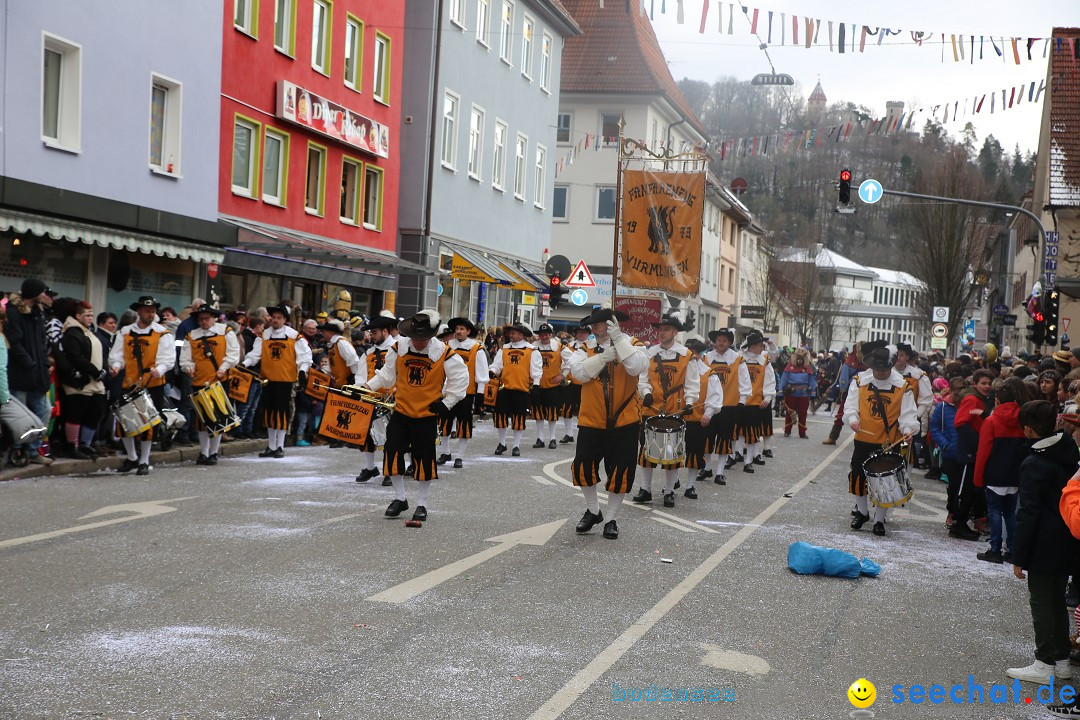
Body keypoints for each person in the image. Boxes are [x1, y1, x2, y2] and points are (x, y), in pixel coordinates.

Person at [363, 310, 468, 521]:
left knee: (424, 459)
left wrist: (446, 404)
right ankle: (400, 498)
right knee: (391, 454)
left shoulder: (445, 354)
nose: (418, 343)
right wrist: (366, 387)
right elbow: (386, 376)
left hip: (427, 415)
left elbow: (461, 381)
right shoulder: (398, 348)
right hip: (401, 412)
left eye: (423, 339)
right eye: (415, 338)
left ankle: (422, 503)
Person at [1005, 400, 1080, 687]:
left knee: (1041, 603)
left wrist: (1018, 556)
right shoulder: (1067, 449)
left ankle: (1044, 662)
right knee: (1056, 601)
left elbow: (1028, 512)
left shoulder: (1035, 462)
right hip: (1067, 538)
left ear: (1027, 429)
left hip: (1043, 543)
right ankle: (1060, 661)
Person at [567, 308, 648, 540]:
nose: (594, 328)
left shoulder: (635, 344)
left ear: (612, 324)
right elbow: (580, 374)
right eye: (593, 324)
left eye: (600, 324)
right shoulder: (584, 348)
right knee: (583, 466)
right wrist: (604, 356)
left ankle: (611, 518)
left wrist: (620, 342)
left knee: (620, 471)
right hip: (591, 419)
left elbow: (636, 367)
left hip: (625, 421)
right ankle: (593, 511)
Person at [843, 340, 918, 536]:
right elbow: (850, 407)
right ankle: (862, 512)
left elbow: (908, 415)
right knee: (858, 477)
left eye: (883, 369)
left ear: (891, 366)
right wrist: (853, 420)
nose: (880, 373)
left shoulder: (903, 386)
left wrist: (908, 430)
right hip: (864, 440)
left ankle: (879, 519)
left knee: (885, 482)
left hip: (888, 442)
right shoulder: (860, 381)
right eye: (876, 369)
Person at [632, 314, 697, 507]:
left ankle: (669, 491)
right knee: (646, 450)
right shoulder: (649, 354)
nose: (662, 333)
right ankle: (645, 489)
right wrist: (646, 393)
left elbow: (692, 385)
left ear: (675, 332)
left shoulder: (687, 355)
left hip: (674, 410)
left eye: (666, 329)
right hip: (651, 408)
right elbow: (642, 380)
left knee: (672, 451)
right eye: (660, 329)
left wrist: (689, 403)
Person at [109, 296, 176, 475]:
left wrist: (160, 369)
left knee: (148, 423)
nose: (150, 313)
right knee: (126, 422)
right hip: (130, 382)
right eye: (147, 310)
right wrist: (115, 366)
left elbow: (168, 358)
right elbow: (117, 355)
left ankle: (144, 460)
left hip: (152, 383)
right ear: (138, 311)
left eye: (153, 310)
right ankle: (131, 457)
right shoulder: (124, 332)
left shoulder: (162, 333)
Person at [973, 377, 1034, 555]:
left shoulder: (991, 421)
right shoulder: (1024, 420)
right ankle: (1012, 548)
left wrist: (978, 479)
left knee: (994, 511)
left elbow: (983, 452)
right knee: (1010, 513)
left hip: (995, 473)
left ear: (998, 401)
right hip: (1016, 474)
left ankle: (995, 548)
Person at [241, 305, 312, 458]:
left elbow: (305, 356)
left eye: (279, 318)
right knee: (269, 413)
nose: (275, 320)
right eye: (273, 317)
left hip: (285, 380)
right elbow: (255, 354)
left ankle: (280, 446)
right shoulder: (264, 335)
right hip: (268, 380)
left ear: (285, 320)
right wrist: (245, 364)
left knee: (282, 413)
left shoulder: (294, 336)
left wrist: (302, 370)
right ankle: (271, 446)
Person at [180, 304, 241, 465]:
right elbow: (185, 358)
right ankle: (203, 452)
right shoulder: (191, 335)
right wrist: (188, 368)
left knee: (218, 418)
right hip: (199, 380)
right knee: (202, 420)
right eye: (201, 319)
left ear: (213, 318)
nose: (203, 322)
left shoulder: (225, 331)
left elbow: (234, 354)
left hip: (220, 380)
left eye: (206, 319)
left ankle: (213, 452)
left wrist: (223, 368)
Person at [5, 279, 57, 466]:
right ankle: (16, 451)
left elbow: (42, 343)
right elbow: (15, 343)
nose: (45, 295)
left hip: (37, 373)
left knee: (44, 411)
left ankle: (33, 449)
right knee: (20, 418)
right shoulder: (13, 313)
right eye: (42, 292)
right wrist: (30, 363)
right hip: (20, 373)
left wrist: (42, 364)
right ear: (34, 293)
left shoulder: (38, 313)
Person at [56, 300, 107, 460]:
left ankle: (86, 443)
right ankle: (73, 446)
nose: (90, 318)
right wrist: (94, 371)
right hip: (81, 381)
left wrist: (102, 370)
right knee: (76, 414)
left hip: (95, 381)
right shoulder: (72, 332)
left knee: (95, 412)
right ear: (77, 316)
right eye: (87, 315)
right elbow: (76, 356)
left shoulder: (87, 331)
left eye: (92, 315)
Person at [700, 328, 751, 485]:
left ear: (729, 343)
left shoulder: (738, 360)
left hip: (729, 406)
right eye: (719, 340)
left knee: (724, 440)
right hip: (709, 404)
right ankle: (707, 468)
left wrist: (742, 402)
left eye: (724, 340)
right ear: (715, 342)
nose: (721, 343)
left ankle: (720, 472)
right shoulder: (707, 358)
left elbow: (745, 382)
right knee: (707, 439)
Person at [437, 317, 488, 469]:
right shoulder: (446, 346)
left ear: (468, 331)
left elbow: (482, 373)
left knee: (464, 424)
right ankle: (445, 452)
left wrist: (480, 394)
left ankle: (460, 455)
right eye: (457, 329)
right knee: (444, 422)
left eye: (462, 329)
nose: (458, 332)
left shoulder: (476, 348)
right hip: (447, 392)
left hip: (467, 392)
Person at [355, 315, 397, 484]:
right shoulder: (368, 353)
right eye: (371, 332)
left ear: (385, 331)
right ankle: (370, 467)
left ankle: (390, 469)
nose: (371, 336)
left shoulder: (397, 349)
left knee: (391, 437)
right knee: (366, 435)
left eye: (374, 332)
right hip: (371, 399)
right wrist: (358, 390)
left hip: (392, 400)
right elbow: (360, 376)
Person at [954, 369, 995, 535]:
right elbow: (960, 423)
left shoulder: (980, 399)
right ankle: (959, 523)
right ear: (975, 384)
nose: (987, 386)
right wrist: (979, 443)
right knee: (965, 488)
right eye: (983, 383)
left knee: (971, 488)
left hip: (973, 451)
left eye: (989, 384)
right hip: (968, 452)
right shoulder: (972, 399)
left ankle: (961, 522)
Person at [489, 323, 540, 457]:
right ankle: (502, 443)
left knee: (518, 418)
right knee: (500, 416)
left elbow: (536, 370)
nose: (511, 335)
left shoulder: (532, 350)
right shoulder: (504, 349)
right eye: (510, 333)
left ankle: (516, 446)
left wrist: (536, 385)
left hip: (521, 388)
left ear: (522, 335)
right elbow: (497, 365)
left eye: (514, 333)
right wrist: (492, 371)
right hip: (504, 388)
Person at [320, 318, 362, 448]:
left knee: (349, 411)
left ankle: (350, 439)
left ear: (329, 332)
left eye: (324, 331)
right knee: (341, 411)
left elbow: (353, 360)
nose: (322, 334)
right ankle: (340, 438)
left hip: (348, 382)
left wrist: (353, 379)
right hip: (340, 383)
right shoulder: (333, 344)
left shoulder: (341, 343)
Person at [737, 331, 775, 474]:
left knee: (752, 433)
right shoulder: (740, 359)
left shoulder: (764, 361)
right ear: (752, 346)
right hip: (741, 401)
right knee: (739, 430)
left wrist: (767, 398)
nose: (762, 348)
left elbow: (770, 380)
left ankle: (749, 461)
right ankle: (737, 453)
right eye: (760, 345)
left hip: (756, 402)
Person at [894, 344, 934, 469]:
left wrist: (914, 417)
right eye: (896, 355)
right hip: (890, 421)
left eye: (901, 355)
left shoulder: (917, 375)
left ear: (907, 357)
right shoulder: (887, 372)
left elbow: (926, 400)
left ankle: (903, 479)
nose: (898, 358)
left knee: (904, 452)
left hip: (909, 421)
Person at [823, 343, 865, 446]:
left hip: (864, 391)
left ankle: (864, 440)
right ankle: (833, 437)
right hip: (850, 391)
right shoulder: (850, 361)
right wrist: (843, 389)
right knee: (841, 414)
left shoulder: (867, 362)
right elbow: (844, 376)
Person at [531, 323, 564, 450]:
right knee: (538, 413)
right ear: (539, 336)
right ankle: (540, 438)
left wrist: (563, 375)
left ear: (551, 335)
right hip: (536, 385)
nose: (544, 336)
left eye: (546, 334)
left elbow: (571, 361)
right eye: (542, 334)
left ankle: (552, 438)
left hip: (552, 385)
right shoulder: (533, 347)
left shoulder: (559, 347)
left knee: (552, 414)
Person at [234, 314, 266, 440]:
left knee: (252, 406)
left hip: (257, 375)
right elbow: (253, 355)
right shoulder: (250, 338)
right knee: (245, 405)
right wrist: (246, 364)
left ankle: (248, 429)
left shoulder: (254, 337)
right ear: (257, 326)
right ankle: (240, 429)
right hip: (249, 374)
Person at [558, 324, 591, 443]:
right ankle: (568, 433)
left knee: (586, 410)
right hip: (571, 382)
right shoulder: (569, 346)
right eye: (579, 332)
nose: (581, 334)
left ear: (588, 334)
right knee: (567, 408)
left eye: (583, 332)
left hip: (585, 383)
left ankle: (584, 434)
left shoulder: (591, 346)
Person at [778, 348, 817, 439]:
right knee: (789, 413)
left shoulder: (808, 368)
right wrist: (780, 393)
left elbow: (812, 381)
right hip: (791, 393)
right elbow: (783, 380)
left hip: (803, 394)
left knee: (803, 414)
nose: (799, 360)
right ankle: (787, 430)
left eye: (802, 358)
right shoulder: (789, 367)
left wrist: (813, 394)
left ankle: (802, 432)